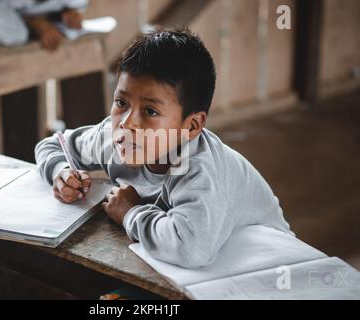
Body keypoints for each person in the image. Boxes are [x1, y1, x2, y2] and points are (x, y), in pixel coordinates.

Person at [34, 28, 292, 270]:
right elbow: (53, 145)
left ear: (191, 126)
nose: (127, 122)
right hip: (204, 264)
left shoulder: (198, 167)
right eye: (121, 102)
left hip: (266, 262)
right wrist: (61, 172)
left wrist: (131, 213)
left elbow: (191, 249)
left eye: (150, 111)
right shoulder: (116, 137)